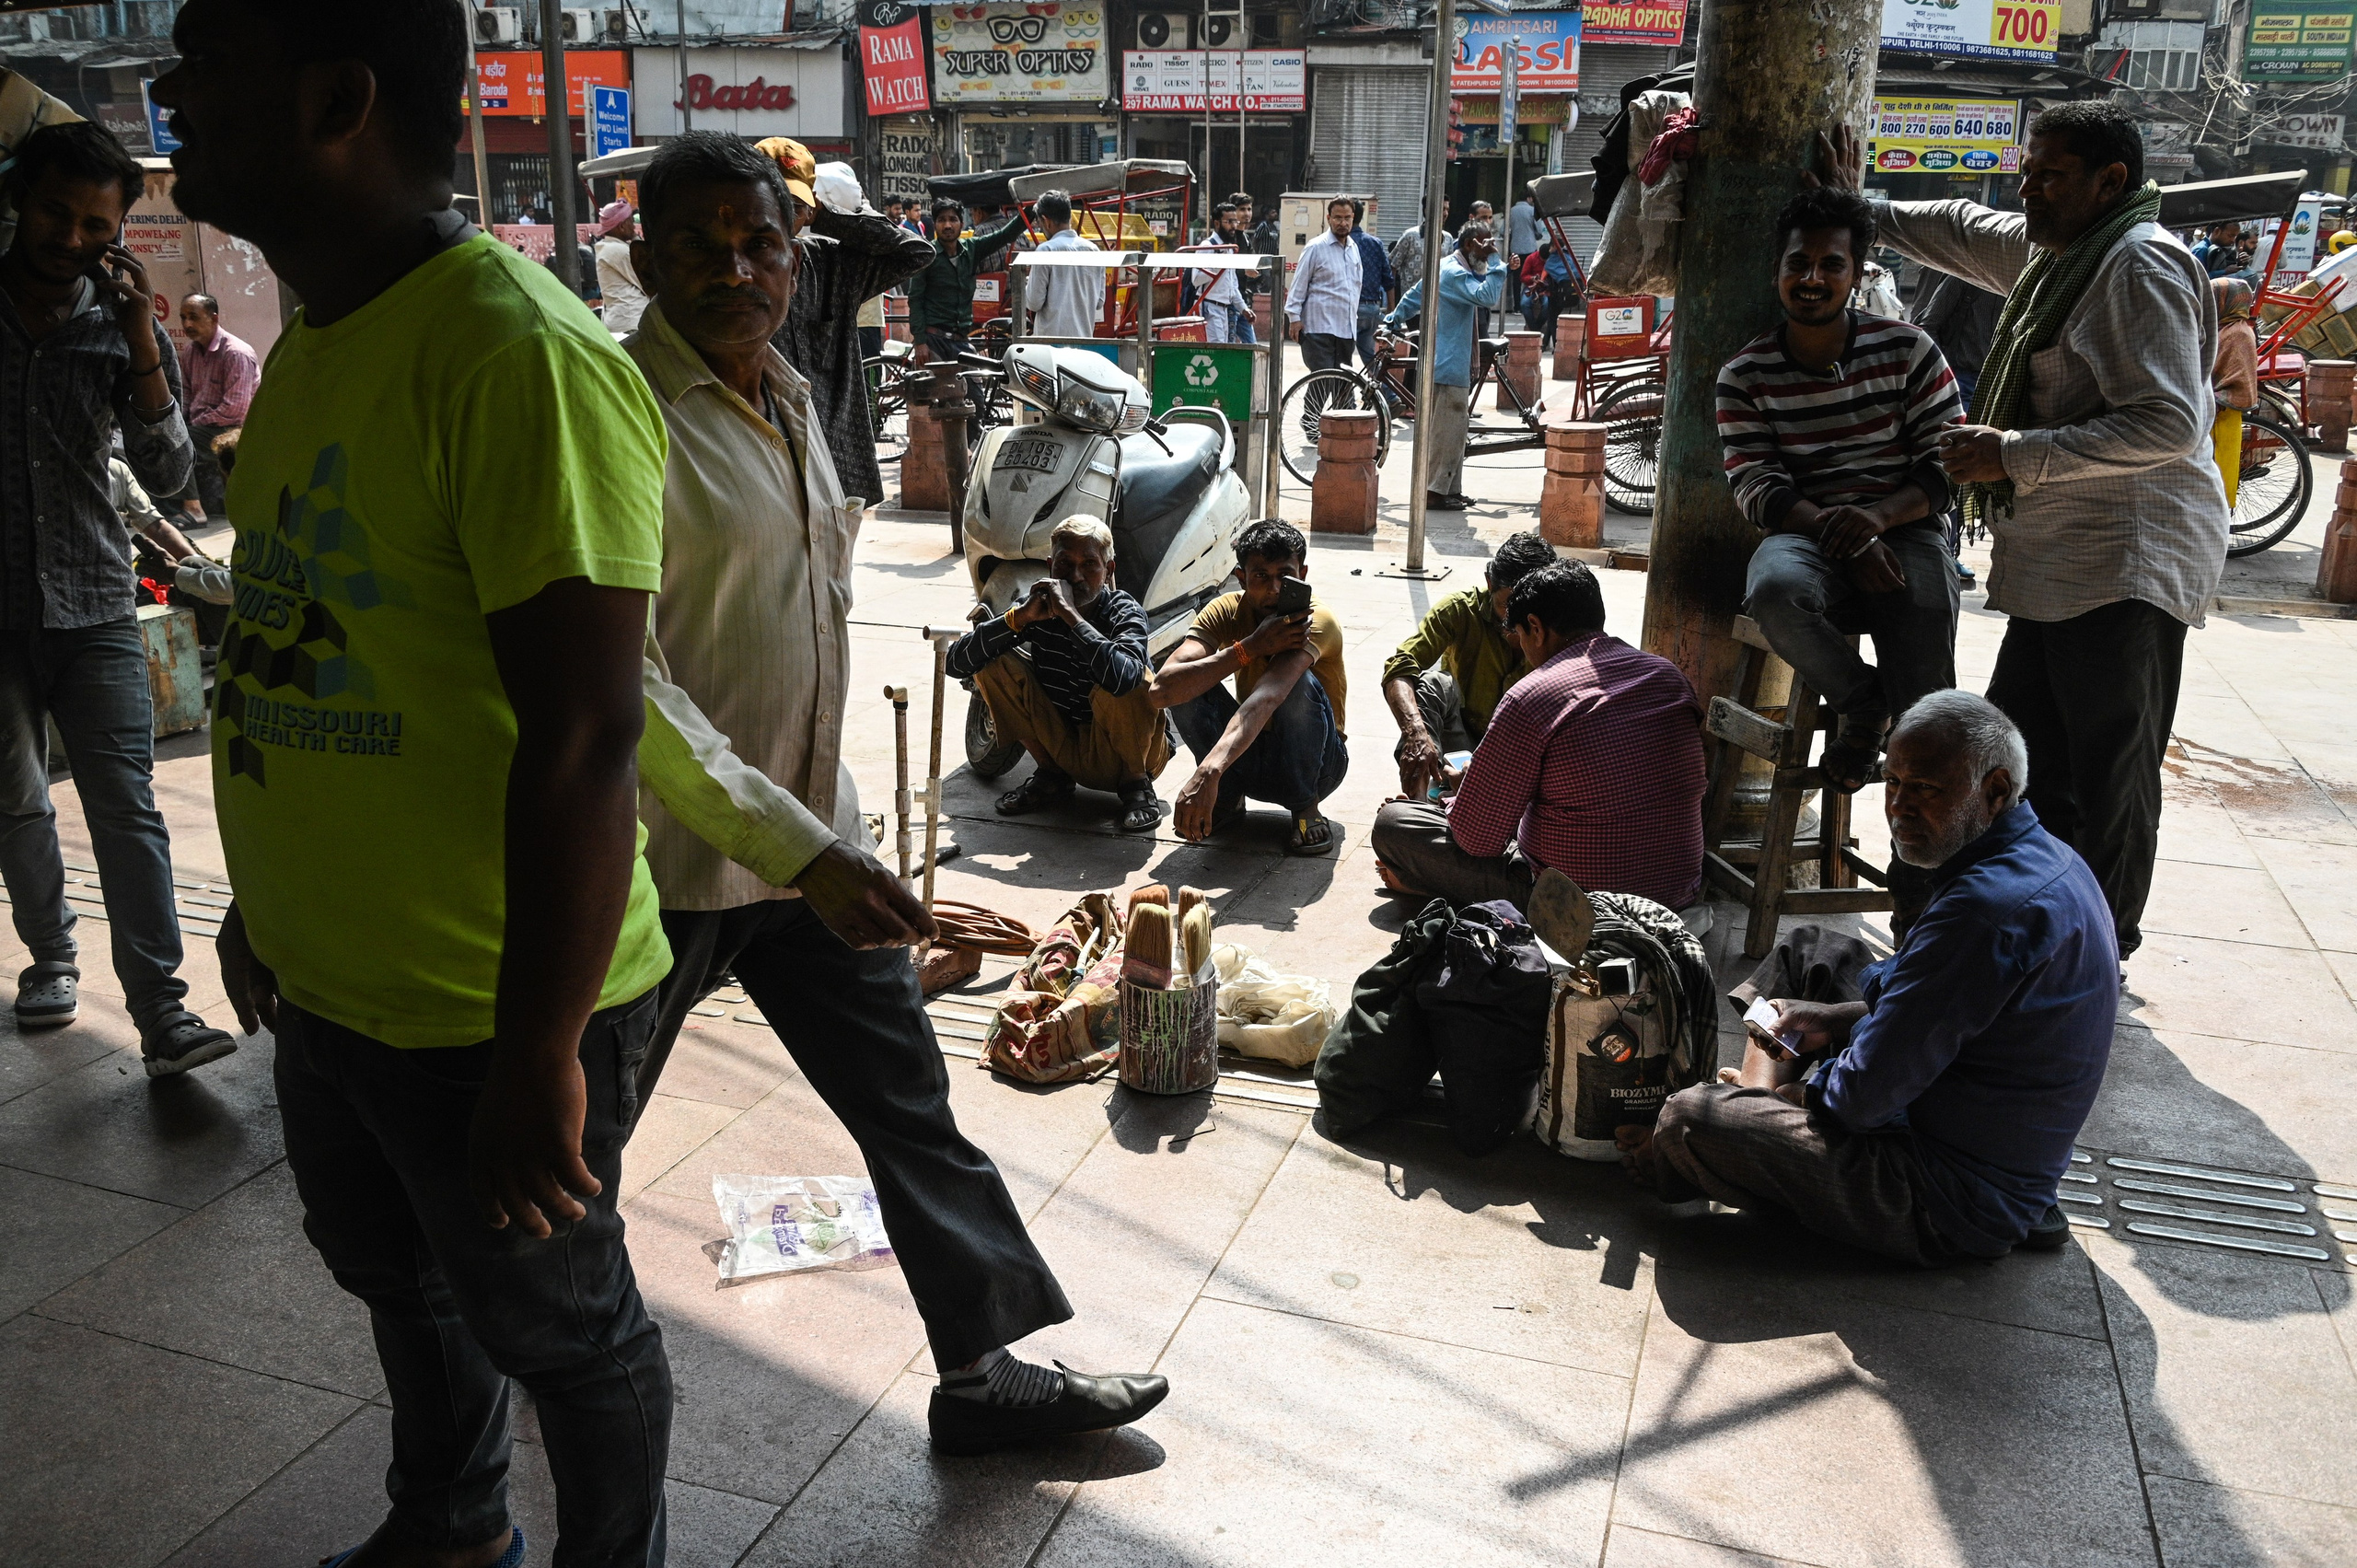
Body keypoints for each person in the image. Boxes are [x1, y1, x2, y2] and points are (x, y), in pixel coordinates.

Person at [158, 5, 681, 1565]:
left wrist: (541, 1053)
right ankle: (451, 1527)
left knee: (567, 1331)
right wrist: (273, 916)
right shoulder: (324, 332)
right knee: (398, 1271)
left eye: (208, 57)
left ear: (333, 98)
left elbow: (589, 736)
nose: (172, 91)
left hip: (489, 1009)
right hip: (333, 981)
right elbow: (313, 655)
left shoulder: (513, 353)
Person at [616, 134, 1169, 1458]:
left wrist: (823, 834)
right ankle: (529, 1348)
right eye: (699, 243)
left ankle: (981, 1376)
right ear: (642, 260)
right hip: (659, 861)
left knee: (909, 1108)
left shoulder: (796, 396)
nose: (734, 268)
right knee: (568, 1141)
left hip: (814, 839)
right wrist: (796, 842)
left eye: (758, 243)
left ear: (794, 260)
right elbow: (623, 683)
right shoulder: (619, 411)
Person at [1819, 102, 2227, 961]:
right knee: (2026, 767)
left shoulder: (2136, 263)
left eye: (2048, 176)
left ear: (2108, 182)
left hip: (2129, 558)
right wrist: (1860, 208)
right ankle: (2038, 935)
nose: (2028, 191)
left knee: (2109, 776)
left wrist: (2012, 452)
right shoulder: (2062, 257)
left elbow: (2169, 423)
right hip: (2056, 563)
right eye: (2025, 172)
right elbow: (1963, 230)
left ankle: (2101, 950)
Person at [1630, 692, 2117, 1265]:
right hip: (1969, 1111)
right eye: (1892, 783)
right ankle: (1754, 1113)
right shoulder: (2044, 855)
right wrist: (1836, 1019)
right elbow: (1943, 1007)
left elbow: (1857, 1102)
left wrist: (1795, 1096)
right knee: (1815, 951)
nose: (1900, 808)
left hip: (1943, 1195)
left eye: (1927, 790)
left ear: (1996, 791)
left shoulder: (1984, 912)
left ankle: (1733, 1127)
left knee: (1688, 1119)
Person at [0, 121, 234, 1071]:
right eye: (57, 213)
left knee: (126, 806)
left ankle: (161, 1009)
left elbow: (173, 466)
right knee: (16, 804)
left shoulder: (119, 322)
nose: (72, 239)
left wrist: (141, 337)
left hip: (96, 599)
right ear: (19, 197)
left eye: (96, 226)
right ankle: (51, 957)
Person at [1717, 184, 1963, 850]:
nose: (1812, 279)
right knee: (1772, 590)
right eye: (1799, 264)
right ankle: (1862, 701)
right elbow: (1756, 486)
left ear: (1857, 274)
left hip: (1903, 526)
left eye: (1832, 264)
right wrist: (1843, 536)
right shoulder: (1745, 375)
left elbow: (1948, 467)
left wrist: (1877, 520)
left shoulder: (1909, 351)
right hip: (1806, 533)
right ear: (1778, 271)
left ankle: (1930, 869)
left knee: (1928, 683)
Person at [1370, 563, 1706, 912]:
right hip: (1674, 892)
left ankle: (1426, 881)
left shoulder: (1530, 696)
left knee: (1394, 823)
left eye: (1519, 634)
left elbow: (1476, 840)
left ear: (1535, 627)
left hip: (1575, 907)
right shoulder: (1667, 674)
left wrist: (1460, 799)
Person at [946, 517, 1170, 833]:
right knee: (993, 661)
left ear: (1109, 571)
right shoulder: (1037, 608)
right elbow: (955, 663)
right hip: (1064, 746)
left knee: (1137, 679)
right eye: (1065, 564)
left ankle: (1137, 787)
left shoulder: (1124, 610)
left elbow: (1126, 680)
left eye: (1089, 565)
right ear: (1051, 566)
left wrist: (1071, 616)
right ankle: (1051, 776)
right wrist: (1018, 618)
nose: (1075, 576)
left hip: (1127, 755)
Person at [1151, 519, 1349, 857]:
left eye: (1284, 576)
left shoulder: (1316, 621)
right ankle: (1226, 799)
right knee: (1187, 684)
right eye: (1260, 576)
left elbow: (1268, 696)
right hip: (1248, 754)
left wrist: (1208, 769)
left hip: (1318, 764)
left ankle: (1306, 809)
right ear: (1241, 578)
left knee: (1294, 683)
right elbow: (1162, 690)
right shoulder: (1226, 610)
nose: (1273, 589)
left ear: (1302, 574)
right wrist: (1248, 648)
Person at [758, 139, 932, 512]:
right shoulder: (734, 271)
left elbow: (917, 251)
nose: (787, 213)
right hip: (762, 457)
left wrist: (828, 217)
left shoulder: (831, 263)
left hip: (834, 456)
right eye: (774, 200)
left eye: (797, 204)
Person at [1382, 528, 1556, 796]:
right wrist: (1416, 732)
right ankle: (1415, 804)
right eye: (1507, 606)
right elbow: (1400, 665)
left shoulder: (1558, 625)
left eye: (1529, 608)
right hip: (1464, 746)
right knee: (1433, 684)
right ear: (1489, 583)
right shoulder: (1459, 610)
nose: (1515, 622)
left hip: (1525, 757)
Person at [1384, 218, 1504, 511]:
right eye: (1485, 245)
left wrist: (1395, 317)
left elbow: (1415, 294)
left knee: (1454, 429)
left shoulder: (1448, 266)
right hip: (1449, 362)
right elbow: (1487, 296)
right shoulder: (1453, 272)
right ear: (1470, 245)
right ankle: (1435, 491)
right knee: (1448, 431)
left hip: (1448, 359)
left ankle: (1449, 488)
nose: (1488, 250)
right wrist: (1498, 262)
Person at [1908, 264, 2003, 586]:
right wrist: (1941, 381)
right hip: (1958, 379)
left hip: (1993, 384)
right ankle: (1942, 553)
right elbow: (1928, 324)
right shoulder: (1968, 273)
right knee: (1948, 470)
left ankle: (1950, 551)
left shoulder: (2031, 279)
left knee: (1976, 474)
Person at [907, 195, 1027, 372]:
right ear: (935, 224)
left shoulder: (972, 249)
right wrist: (920, 342)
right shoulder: (927, 256)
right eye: (942, 220)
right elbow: (915, 299)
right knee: (928, 394)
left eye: (953, 220)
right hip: (933, 340)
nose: (948, 225)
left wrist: (1029, 213)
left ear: (962, 224)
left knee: (977, 396)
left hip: (961, 340)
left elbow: (1005, 236)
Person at [171, 290, 258, 521]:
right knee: (164, 436)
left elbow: (235, 410)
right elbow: (186, 393)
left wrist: (191, 424)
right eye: (183, 317)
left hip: (232, 428)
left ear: (214, 318)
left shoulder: (236, 353)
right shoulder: (191, 350)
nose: (187, 323)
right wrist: (179, 419)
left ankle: (194, 509)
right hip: (204, 425)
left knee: (179, 439)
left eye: (193, 317)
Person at [1284, 195, 1363, 371]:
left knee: (1343, 387)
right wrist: (1294, 318)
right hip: (1318, 329)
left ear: (1353, 218)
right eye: (1338, 218)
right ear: (1329, 219)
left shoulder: (1353, 249)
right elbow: (1299, 285)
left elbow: (1355, 287)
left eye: (1347, 218)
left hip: (1345, 329)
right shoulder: (1316, 247)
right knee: (1323, 381)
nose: (1343, 223)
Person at [1023, 188, 1107, 340]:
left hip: (1050, 346)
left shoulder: (1046, 250)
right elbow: (1099, 302)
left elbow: (1034, 303)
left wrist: (1027, 286)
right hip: (1085, 342)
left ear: (1046, 221)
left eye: (1040, 223)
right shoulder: (1093, 250)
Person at [2210, 276, 2258, 509]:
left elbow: (2236, 377)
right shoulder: (2226, 327)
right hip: (2214, 410)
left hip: (2222, 413)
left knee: (2218, 470)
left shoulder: (2237, 333)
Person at [1187, 199, 1259, 344]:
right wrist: (1217, 264)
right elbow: (1196, 279)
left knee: (1226, 350)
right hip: (1209, 308)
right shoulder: (1207, 246)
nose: (1233, 226)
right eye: (1229, 222)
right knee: (1217, 352)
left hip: (1226, 310)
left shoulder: (1230, 248)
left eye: (1235, 222)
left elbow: (1232, 285)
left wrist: (1243, 308)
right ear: (1217, 223)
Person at [592, 197, 647, 335]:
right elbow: (648, 281)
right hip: (631, 321)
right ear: (621, 227)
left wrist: (634, 238)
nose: (634, 226)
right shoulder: (619, 251)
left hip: (622, 320)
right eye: (630, 222)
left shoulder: (609, 248)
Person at [1348, 199, 1393, 368]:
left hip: (1350, 309)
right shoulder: (1375, 243)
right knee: (1370, 356)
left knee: (1344, 358)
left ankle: (1346, 395)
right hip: (1372, 309)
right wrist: (1391, 312)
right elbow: (1388, 279)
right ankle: (1388, 394)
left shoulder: (1343, 242)